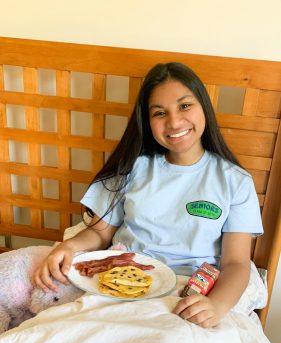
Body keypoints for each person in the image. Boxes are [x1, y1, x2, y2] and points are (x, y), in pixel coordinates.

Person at [34, 62, 263, 328]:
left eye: (185, 106)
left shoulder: (235, 182)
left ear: (204, 106)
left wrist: (217, 305)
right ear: (147, 120)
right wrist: (69, 247)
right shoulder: (134, 167)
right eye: (159, 112)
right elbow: (99, 232)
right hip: (120, 283)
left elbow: (236, 263)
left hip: (186, 291)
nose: (174, 121)